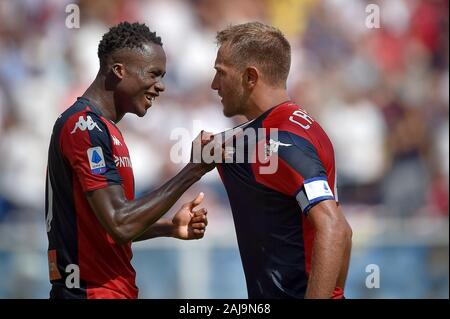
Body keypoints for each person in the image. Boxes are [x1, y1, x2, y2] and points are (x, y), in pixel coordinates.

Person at [45, 22, 214, 299]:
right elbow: (119, 223)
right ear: (119, 71)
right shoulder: (84, 127)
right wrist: (193, 170)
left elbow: (104, 228)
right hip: (89, 293)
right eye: (154, 74)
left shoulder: (105, 129)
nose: (161, 86)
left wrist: (167, 228)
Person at [210, 22, 353, 299]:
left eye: (220, 73)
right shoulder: (306, 129)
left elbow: (334, 228)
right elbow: (344, 231)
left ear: (250, 77)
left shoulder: (284, 141)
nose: (214, 84)